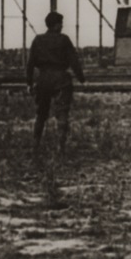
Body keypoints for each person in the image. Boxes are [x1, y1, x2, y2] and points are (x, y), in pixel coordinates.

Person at [26, 11, 85, 153]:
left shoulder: (38, 40)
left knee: (41, 114)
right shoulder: (64, 40)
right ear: (57, 25)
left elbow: (30, 64)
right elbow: (74, 61)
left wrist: (29, 83)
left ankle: (35, 145)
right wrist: (81, 78)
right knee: (62, 113)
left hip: (44, 79)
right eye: (61, 24)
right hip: (61, 79)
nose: (62, 26)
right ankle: (60, 147)